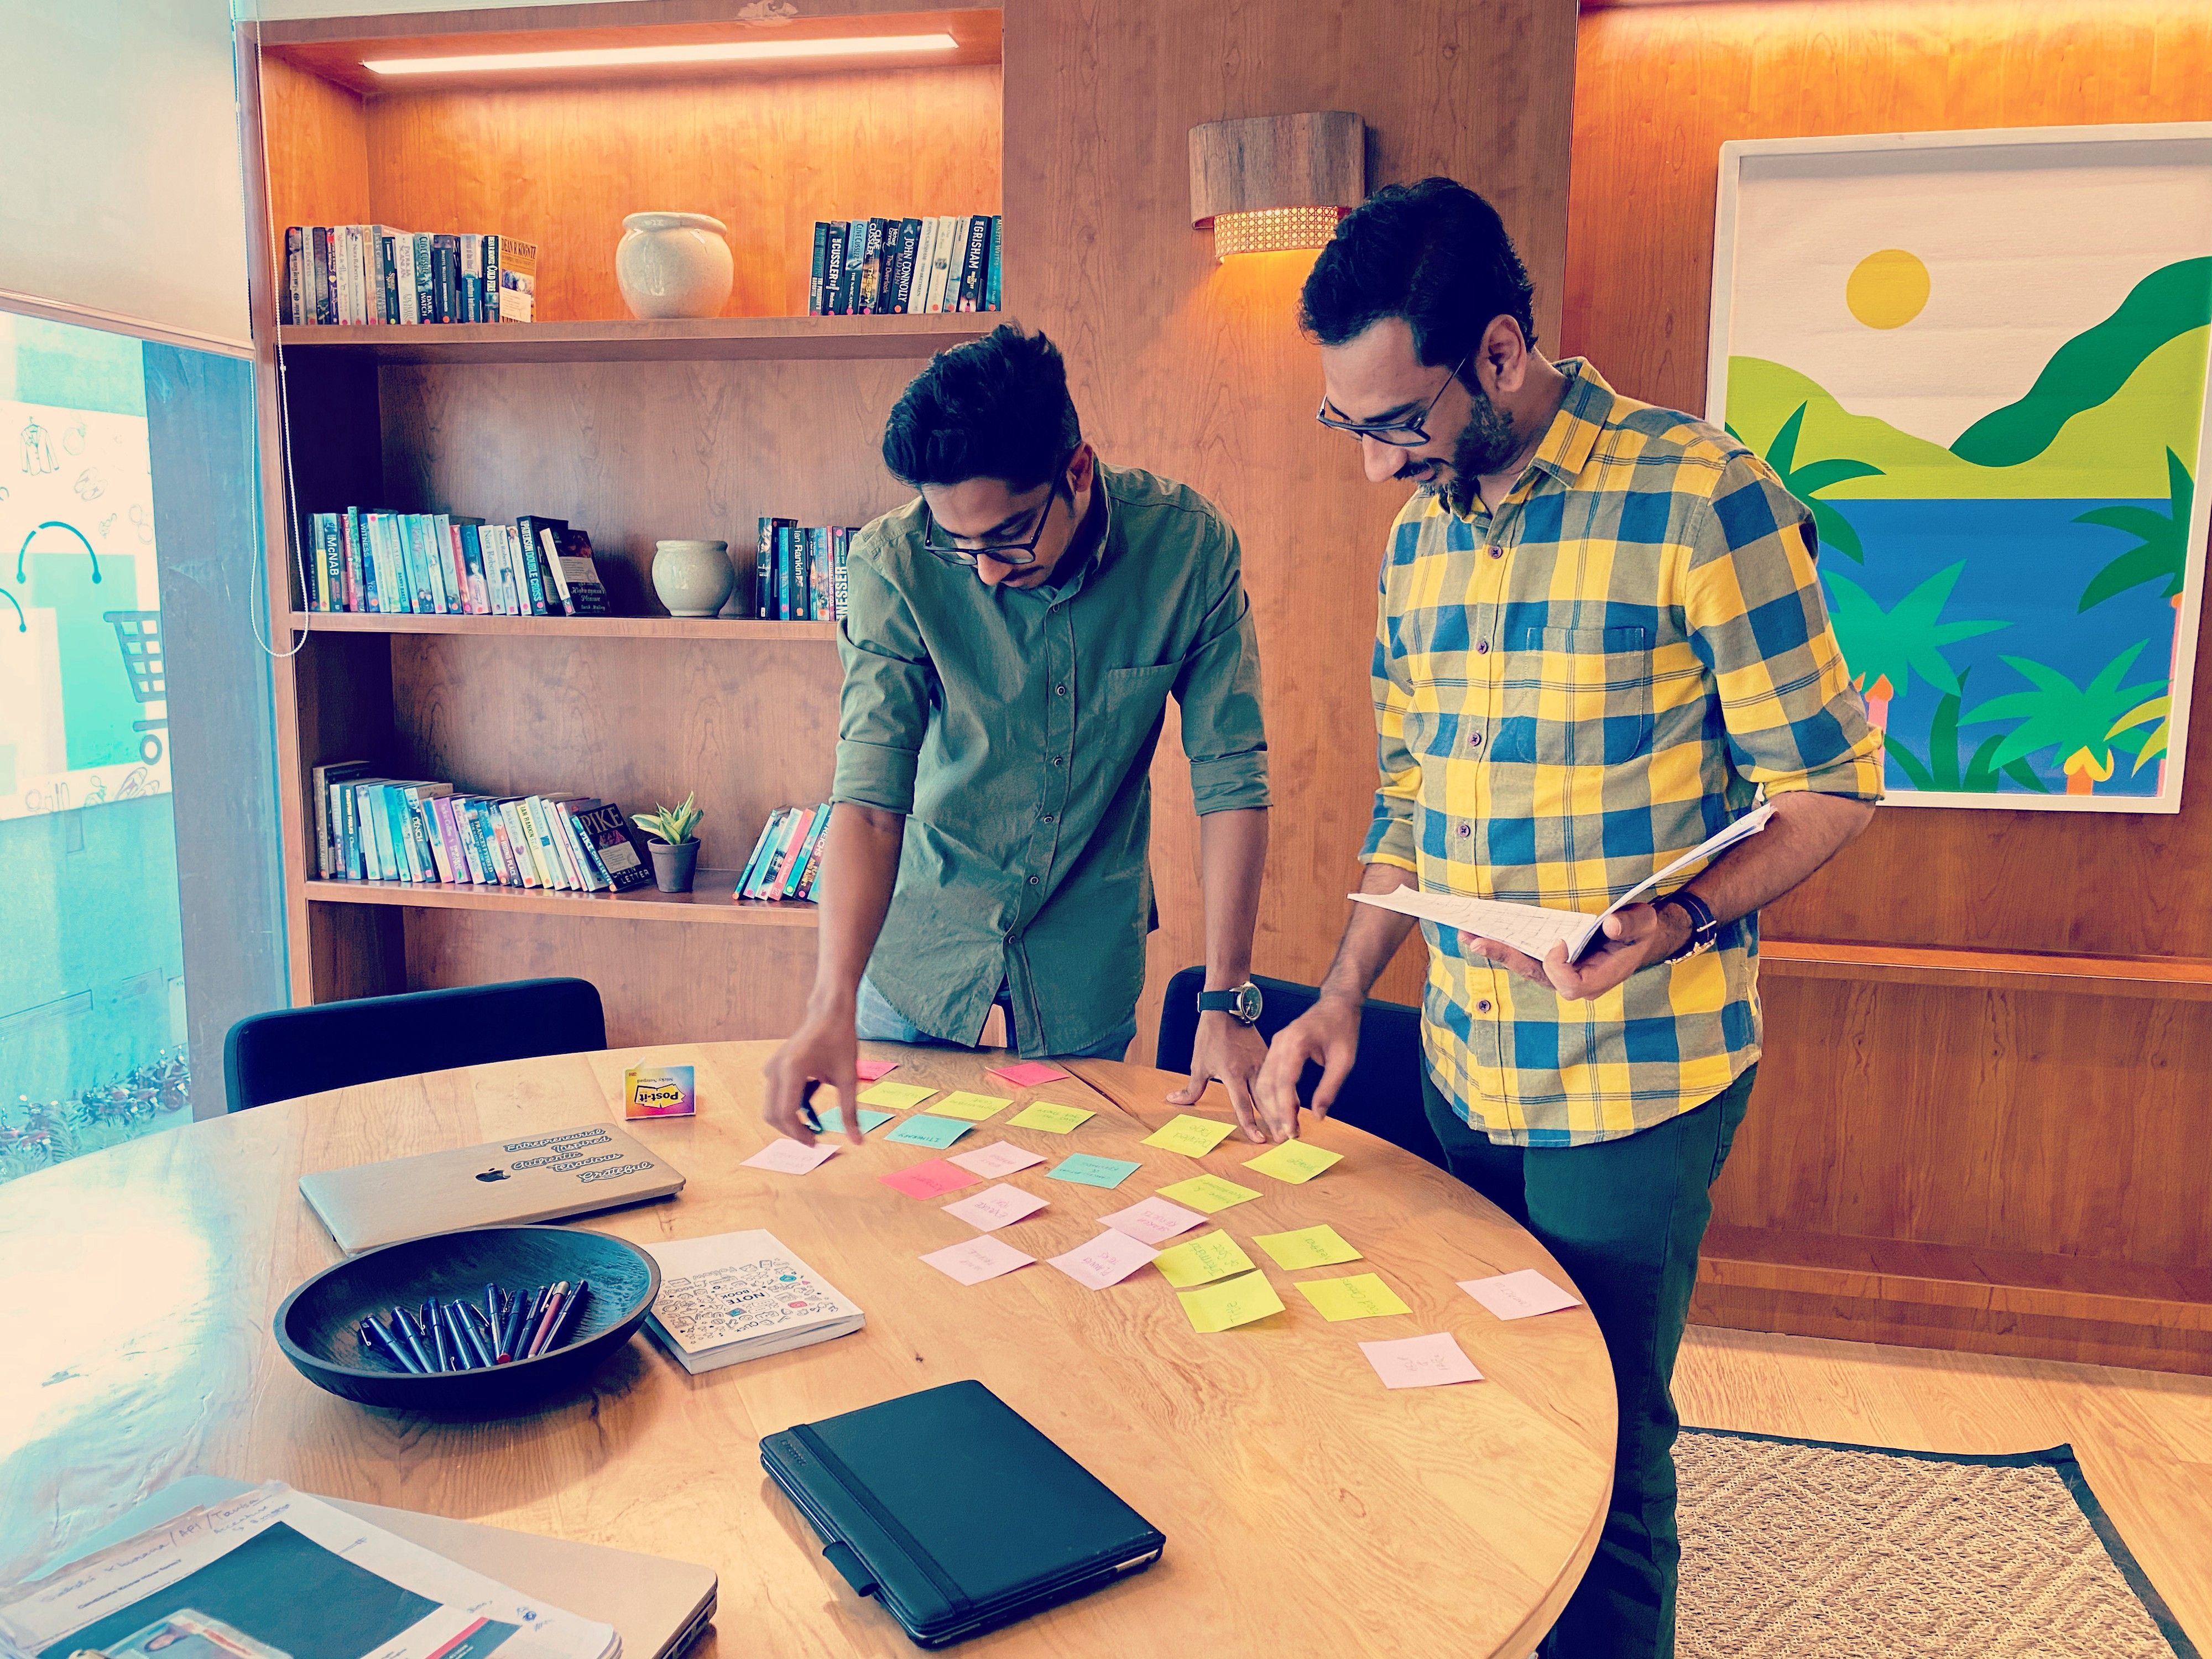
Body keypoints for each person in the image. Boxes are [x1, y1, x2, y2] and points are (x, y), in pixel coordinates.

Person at [1255, 179, 1882, 1657]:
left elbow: (1833, 788)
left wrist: (1673, 922)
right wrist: (1345, 989)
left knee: (1604, 1441)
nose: (1374, 469)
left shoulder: (1702, 493)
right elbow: (1411, 795)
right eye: (1348, 429)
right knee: (1483, 1400)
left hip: (1641, 1078)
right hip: (1471, 1068)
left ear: (1498, 353)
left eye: (1396, 424)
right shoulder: (1424, 537)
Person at [763, 325, 1274, 1145]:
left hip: (1084, 962)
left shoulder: (1187, 549)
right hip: (918, 954)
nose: (987, 573)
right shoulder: (894, 562)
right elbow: (867, 799)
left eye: (1006, 537)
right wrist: (829, 1003)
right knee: (898, 1198)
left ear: (1077, 470)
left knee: (1073, 1207)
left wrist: (1225, 997)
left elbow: (1231, 778)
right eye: (957, 545)